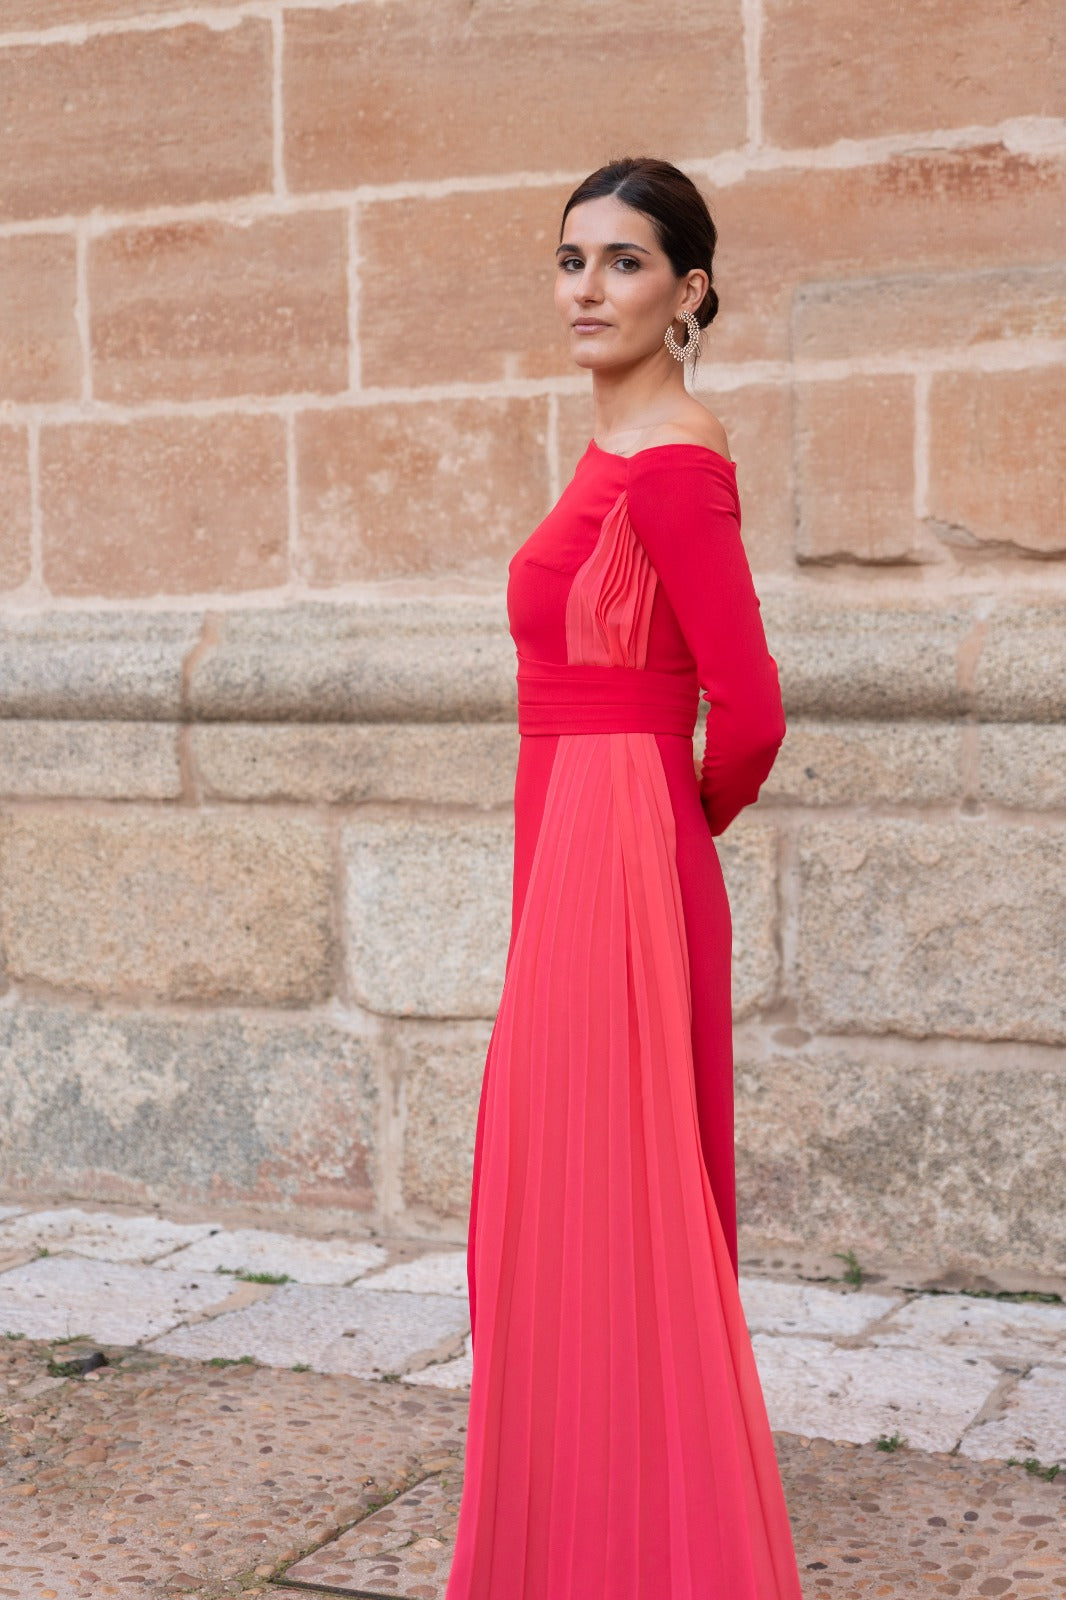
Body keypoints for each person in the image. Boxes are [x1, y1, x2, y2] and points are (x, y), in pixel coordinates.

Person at [444, 157, 801, 1599]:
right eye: (570, 260)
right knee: (563, 1188)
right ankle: (585, 1528)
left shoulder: (673, 466)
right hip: (576, 846)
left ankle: (644, 1545)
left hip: (620, 859)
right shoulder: (615, 449)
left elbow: (751, 711)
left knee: (613, 1185)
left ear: (689, 291)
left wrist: (655, 840)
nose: (587, 289)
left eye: (625, 262)